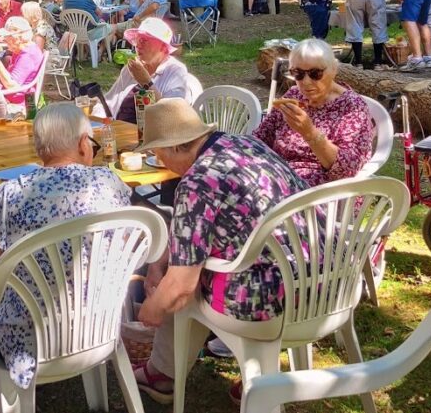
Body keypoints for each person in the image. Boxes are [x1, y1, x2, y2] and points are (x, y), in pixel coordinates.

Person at [130, 98, 308, 404]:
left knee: (182, 287)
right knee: (185, 272)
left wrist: (153, 308)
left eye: (158, 154)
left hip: (272, 299)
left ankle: (162, 374)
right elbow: (199, 228)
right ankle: (254, 373)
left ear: (174, 148)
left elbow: (181, 285)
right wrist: (161, 261)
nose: (160, 161)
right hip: (322, 278)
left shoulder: (198, 181)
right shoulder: (245, 144)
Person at [0, 103, 130, 404]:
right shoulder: (109, 182)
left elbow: (3, 262)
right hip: (98, 326)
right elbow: (121, 242)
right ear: (83, 143)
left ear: (39, 147)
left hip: (27, 340)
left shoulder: (10, 192)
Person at [254, 38, 374, 186]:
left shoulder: (352, 107)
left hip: (318, 190)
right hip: (276, 173)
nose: (306, 82)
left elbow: (347, 170)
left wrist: (309, 132)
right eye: (298, 73)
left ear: (334, 70)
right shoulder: (294, 95)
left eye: (315, 73)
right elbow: (260, 137)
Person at [103, 18, 198, 121]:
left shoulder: (175, 72)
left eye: (144, 41)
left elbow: (172, 116)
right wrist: (97, 108)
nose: (138, 45)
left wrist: (146, 83)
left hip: (153, 131)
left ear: (163, 47)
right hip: (120, 129)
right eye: (138, 40)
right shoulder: (132, 68)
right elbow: (109, 101)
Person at [0, 17, 45, 106]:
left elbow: (11, 85)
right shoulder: (20, 50)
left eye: (6, 36)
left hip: (17, 103)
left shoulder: (28, 54)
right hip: (7, 97)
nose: (3, 39)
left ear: (18, 37)